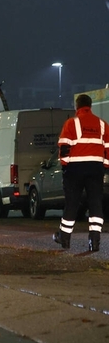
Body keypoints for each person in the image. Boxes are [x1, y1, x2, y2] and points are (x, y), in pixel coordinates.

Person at [54, 93, 109, 251]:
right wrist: (104, 166)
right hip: (96, 168)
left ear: (77, 107)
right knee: (95, 203)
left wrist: (65, 166)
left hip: (75, 169)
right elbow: (108, 149)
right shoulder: (102, 124)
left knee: (72, 203)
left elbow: (64, 147)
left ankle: (64, 238)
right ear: (90, 106)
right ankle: (95, 240)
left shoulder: (71, 123)